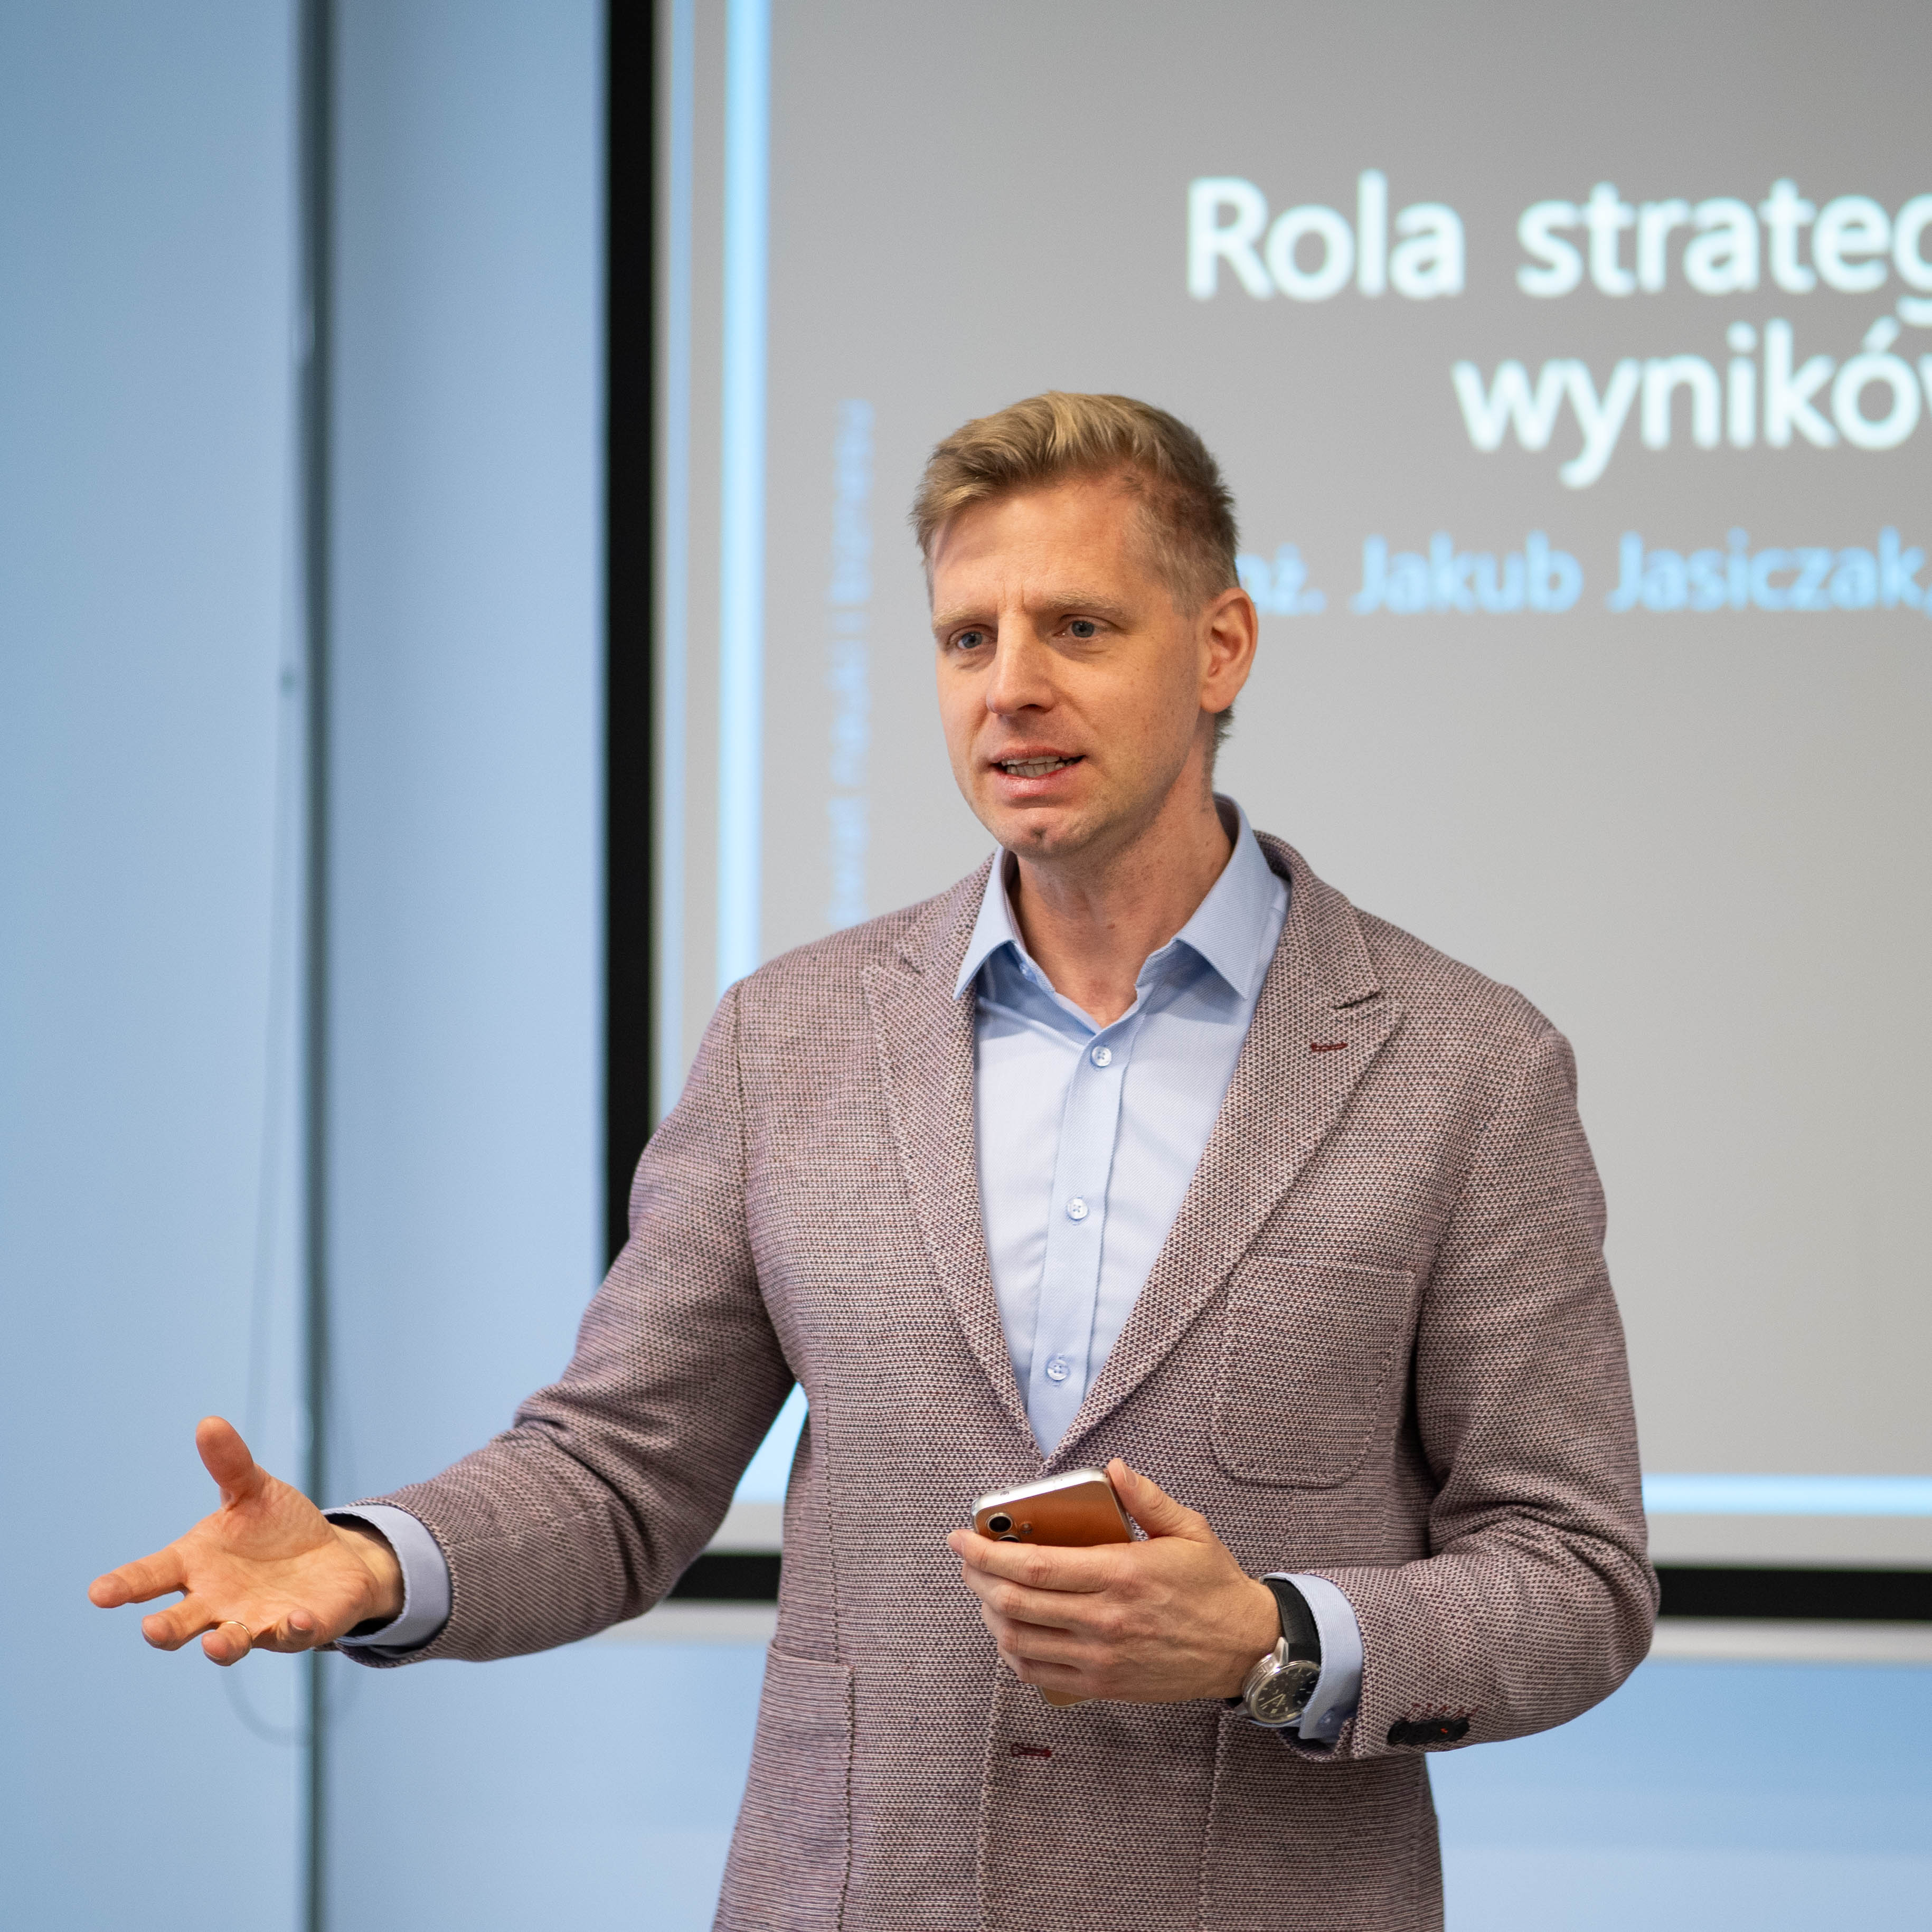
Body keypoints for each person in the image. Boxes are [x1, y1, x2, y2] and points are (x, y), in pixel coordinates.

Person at [91, 393, 1654, 1930]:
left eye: (1079, 628)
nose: (1011, 687)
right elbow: (618, 1473)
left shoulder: (1462, 1064)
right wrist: (374, 1560)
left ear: (1220, 647)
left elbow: (1575, 1574)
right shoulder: (793, 1036)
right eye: (968, 638)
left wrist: (1269, 1635)